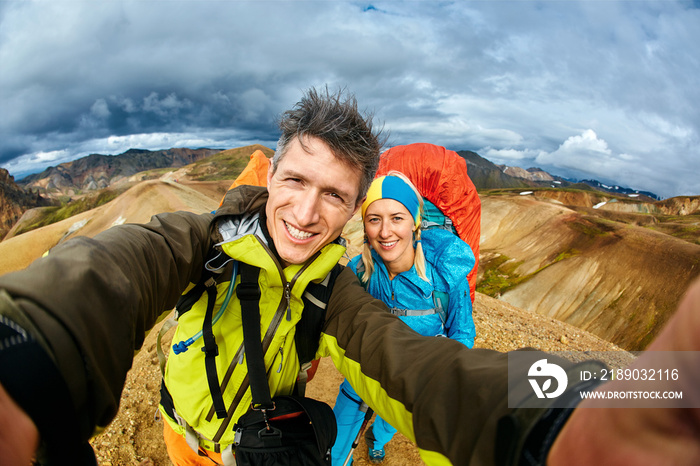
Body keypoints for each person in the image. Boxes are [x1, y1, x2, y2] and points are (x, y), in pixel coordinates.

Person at [0, 86, 699, 466]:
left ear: (353, 209)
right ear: (270, 174)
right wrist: (23, 352)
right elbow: (110, 273)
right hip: (188, 440)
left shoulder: (340, 291)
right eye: (297, 180)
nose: (306, 213)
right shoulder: (200, 243)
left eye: (334, 195)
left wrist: (578, 402)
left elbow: (420, 367)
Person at [331, 171, 475, 465]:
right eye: (374, 219)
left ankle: (376, 439)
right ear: (365, 226)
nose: (385, 232)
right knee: (334, 445)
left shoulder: (446, 276)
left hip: (409, 379)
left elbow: (461, 332)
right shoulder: (358, 271)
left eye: (397, 218)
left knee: (386, 424)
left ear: (415, 222)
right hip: (361, 376)